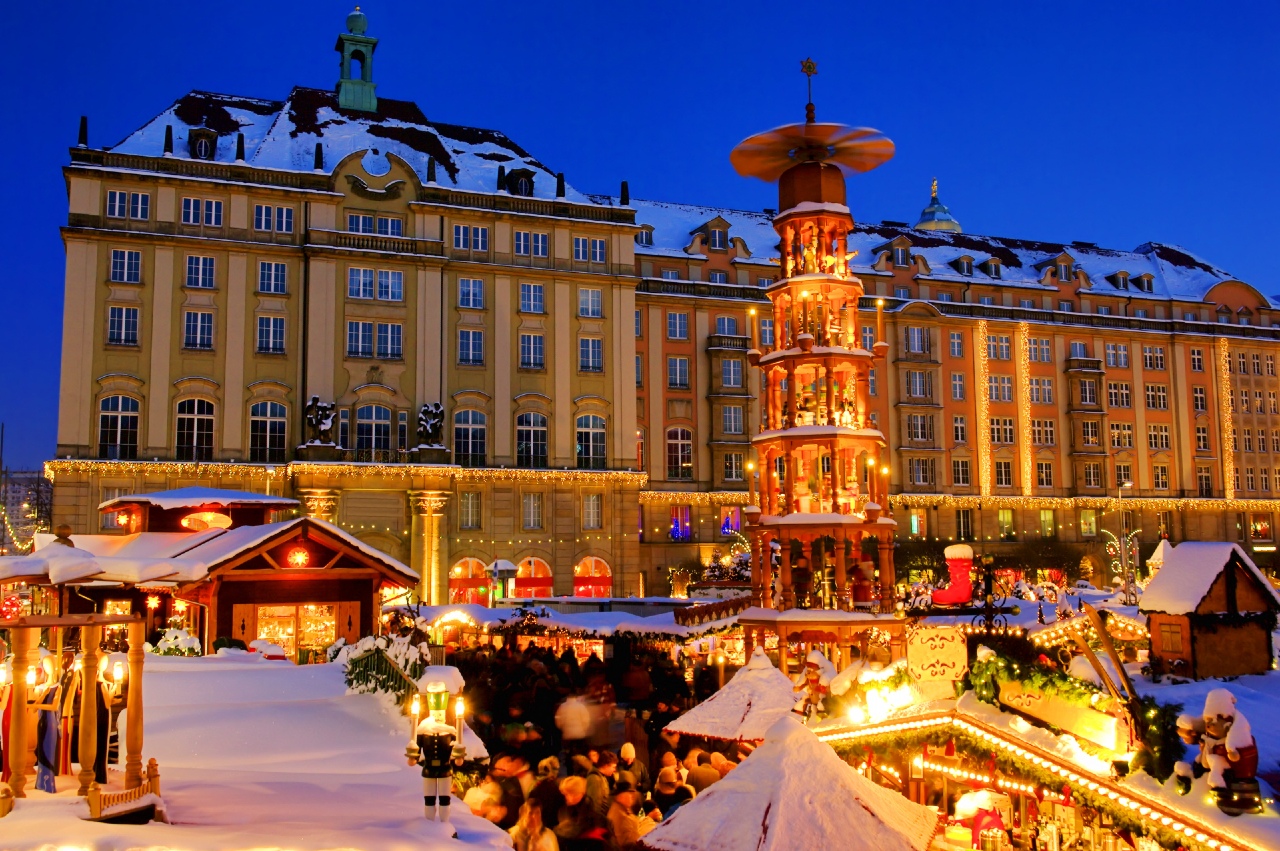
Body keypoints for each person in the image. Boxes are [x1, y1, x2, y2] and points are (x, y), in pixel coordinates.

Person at [555, 776, 606, 851]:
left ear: (577, 793)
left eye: (568, 794)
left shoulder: (587, 812)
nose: (566, 797)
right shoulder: (568, 808)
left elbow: (578, 831)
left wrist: (559, 830)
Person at [606, 778, 659, 851]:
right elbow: (630, 844)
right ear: (621, 796)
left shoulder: (621, 808)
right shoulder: (621, 817)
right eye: (629, 793)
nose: (633, 796)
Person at [530, 756, 566, 829]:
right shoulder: (557, 788)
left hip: (539, 824)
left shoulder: (534, 787)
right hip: (553, 824)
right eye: (556, 769)